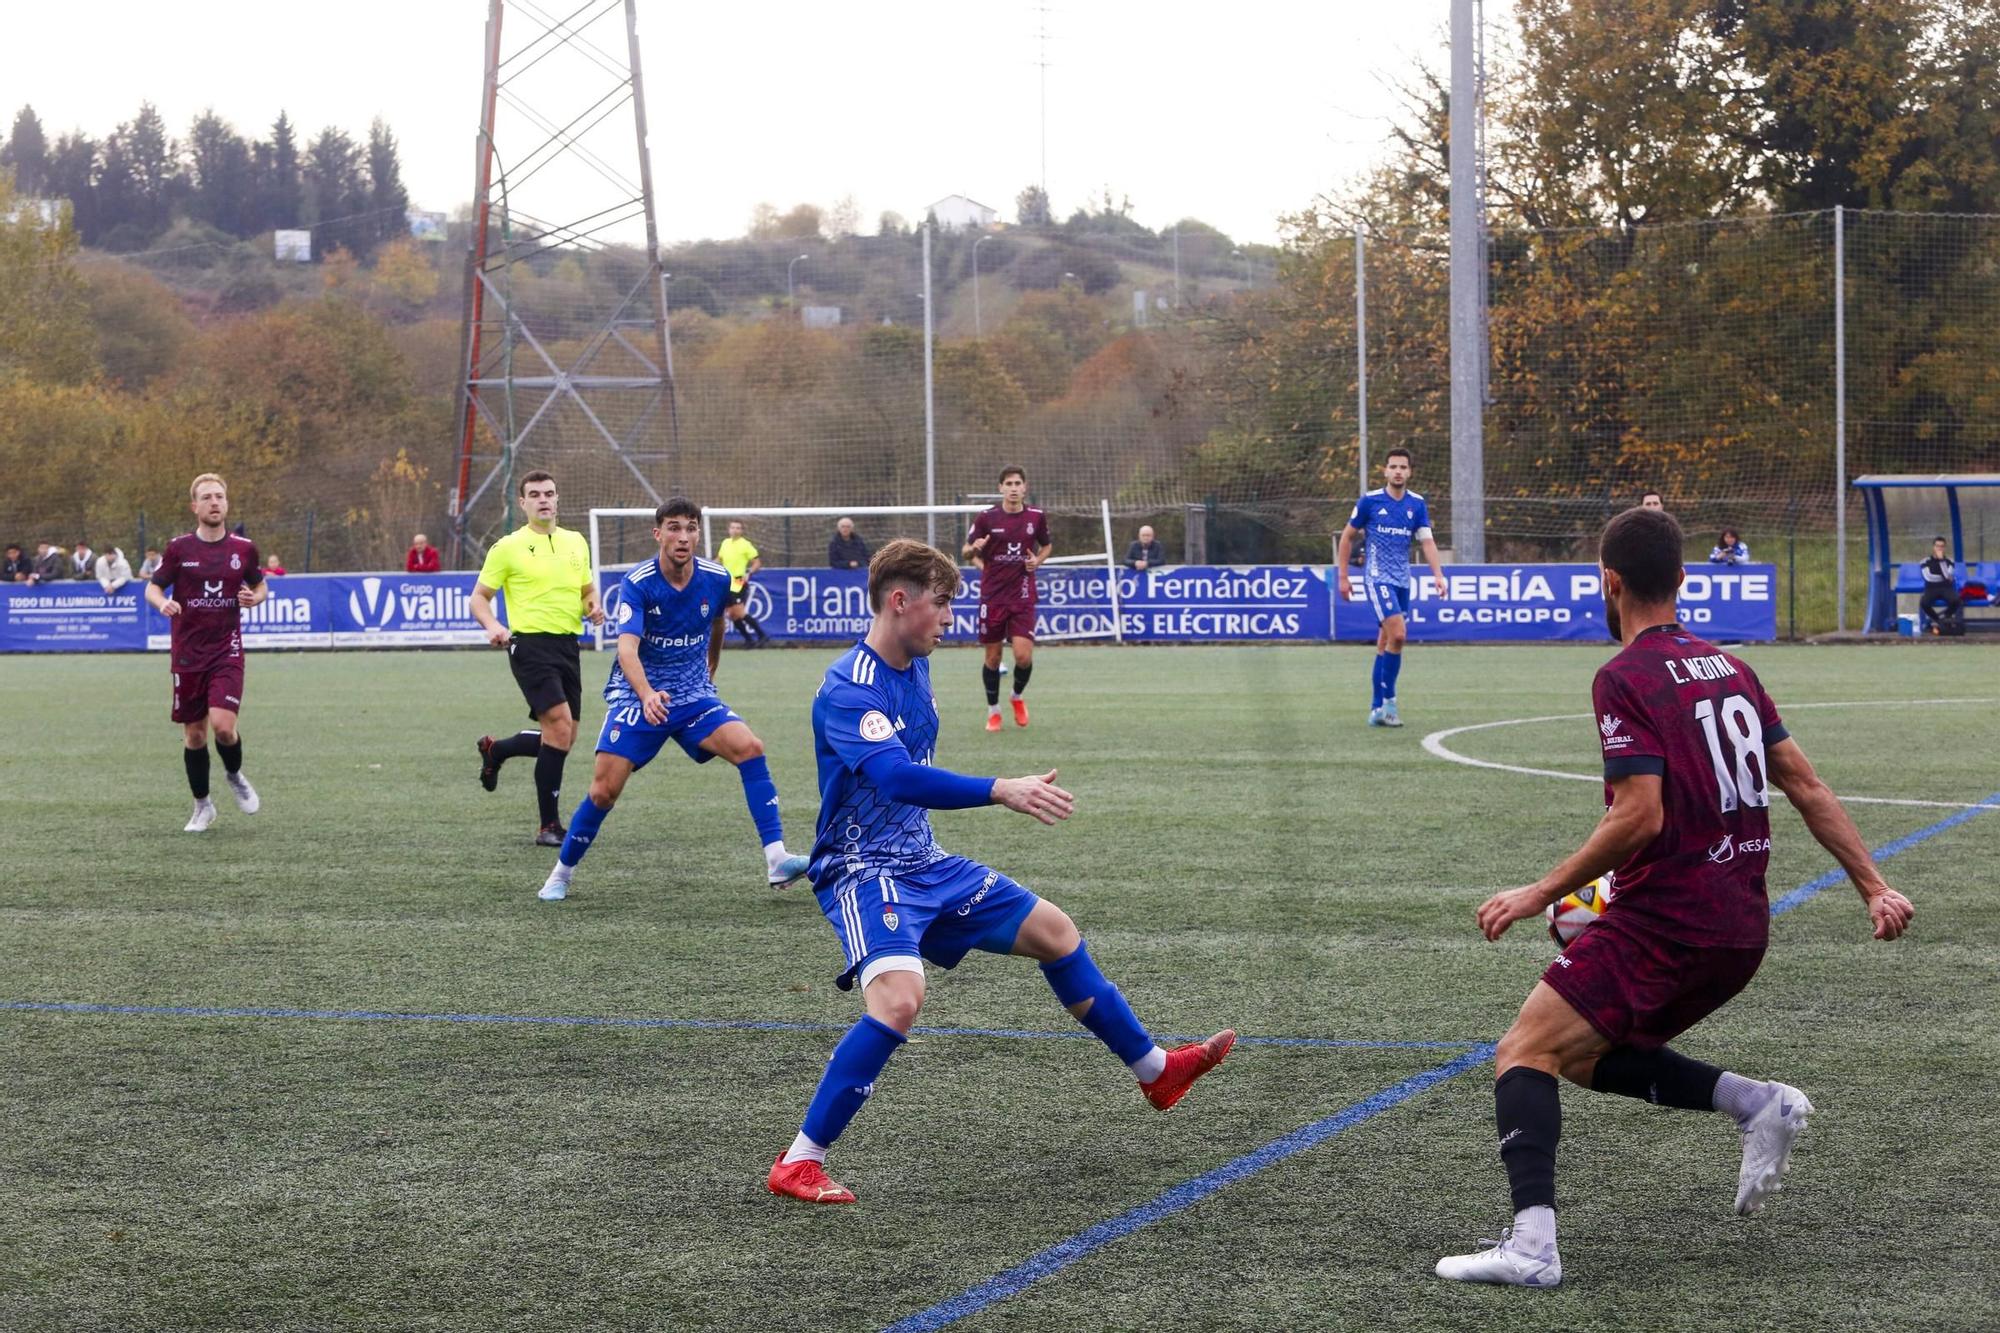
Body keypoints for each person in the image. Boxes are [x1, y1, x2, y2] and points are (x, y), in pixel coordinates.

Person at [1435, 506, 1915, 1290]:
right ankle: (1757, 1103)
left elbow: (1640, 814)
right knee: (1582, 1057)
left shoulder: (1622, 675)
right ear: (1686, 579)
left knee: (1524, 1050)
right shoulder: (1733, 669)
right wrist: (1874, 885)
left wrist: (1539, 892)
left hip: (1671, 922)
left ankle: (1532, 1249)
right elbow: (1804, 783)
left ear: (1610, 582)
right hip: (1739, 927)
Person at [765, 539, 1235, 1205]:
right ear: (900, 601)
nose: (950, 616)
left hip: (924, 860)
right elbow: (895, 776)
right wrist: (1000, 787)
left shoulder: (915, 668)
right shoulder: (848, 689)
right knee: (899, 1000)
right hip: (865, 871)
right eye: (942, 602)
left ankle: (1156, 1070)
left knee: (1056, 931)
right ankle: (799, 1161)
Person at [538, 498, 811, 902]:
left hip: (693, 695)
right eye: (674, 528)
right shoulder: (638, 582)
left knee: (750, 748)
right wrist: (646, 694)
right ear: (658, 533)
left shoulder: (717, 578)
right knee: (603, 792)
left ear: (699, 533)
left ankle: (776, 859)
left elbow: (718, 621)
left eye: (690, 528)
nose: (683, 537)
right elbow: (626, 650)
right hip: (637, 696)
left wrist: (710, 671)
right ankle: (561, 874)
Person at [471, 471, 605, 847]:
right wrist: (493, 625)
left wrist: (592, 607)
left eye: (549, 493)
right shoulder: (507, 547)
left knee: (564, 735)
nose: (543, 499)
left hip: (568, 646)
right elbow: (478, 598)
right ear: (523, 503)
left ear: (557, 498)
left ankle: (496, 749)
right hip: (529, 645)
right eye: (535, 495)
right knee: (560, 727)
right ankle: (549, 827)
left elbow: (587, 589)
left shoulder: (576, 542)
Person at [145, 474, 268, 833]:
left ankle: (234, 774)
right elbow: (152, 588)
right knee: (195, 736)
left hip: (226, 649)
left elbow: (260, 586)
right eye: (207, 497)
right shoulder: (179, 549)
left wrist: (254, 598)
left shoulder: (244, 549)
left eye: (220, 496)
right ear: (194, 506)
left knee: (223, 728)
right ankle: (203, 806)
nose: (214, 502)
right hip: (187, 654)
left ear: (227, 504)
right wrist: (163, 603)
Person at [1334, 447, 1448, 728]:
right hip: (1376, 578)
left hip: (1402, 580)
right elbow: (1347, 538)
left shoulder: (1417, 504)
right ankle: (1390, 703)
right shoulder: (1370, 502)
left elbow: (1427, 542)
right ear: (1385, 471)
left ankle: (1376, 709)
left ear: (1410, 472)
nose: (1398, 471)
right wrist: (1343, 577)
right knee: (1399, 635)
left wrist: (1438, 574)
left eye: (1403, 467)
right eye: (1393, 466)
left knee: (1386, 642)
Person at [964, 466, 1050, 731]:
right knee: (992, 657)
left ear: (1025, 487)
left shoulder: (1036, 517)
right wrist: (974, 551)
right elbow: (966, 551)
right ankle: (993, 711)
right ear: (1000, 487)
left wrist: (1038, 560)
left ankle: (1016, 697)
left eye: (1018, 483)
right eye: (1008, 483)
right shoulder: (986, 518)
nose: (1013, 488)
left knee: (1023, 657)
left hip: (1023, 594)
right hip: (993, 596)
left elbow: (1046, 545)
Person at [716, 519, 770, 647]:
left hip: (738, 580)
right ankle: (749, 640)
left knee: (739, 611)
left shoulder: (745, 544)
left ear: (741, 531)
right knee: (732, 614)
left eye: (738, 528)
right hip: (726, 581)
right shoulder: (725, 543)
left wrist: (749, 573)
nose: (735, 530)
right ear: (728, 529)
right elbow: (719, 559)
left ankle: (762, 635)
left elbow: (757, 562)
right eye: (733, 527)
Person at [1917, 536, 1962, 635]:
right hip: (1931, 588)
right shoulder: (1925, 561)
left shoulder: (1950, 561)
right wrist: (1945, 578)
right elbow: (1928, 577)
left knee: (1957, 600)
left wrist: (1941, 561)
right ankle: (1938, 621)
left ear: (1945, 548)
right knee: (1924, 603)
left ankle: (1945, 617)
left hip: (1946, 588)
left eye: (1942, 546)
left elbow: (1948, 575)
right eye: (1937, 546)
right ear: (1934, 547)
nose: (1939, 549)